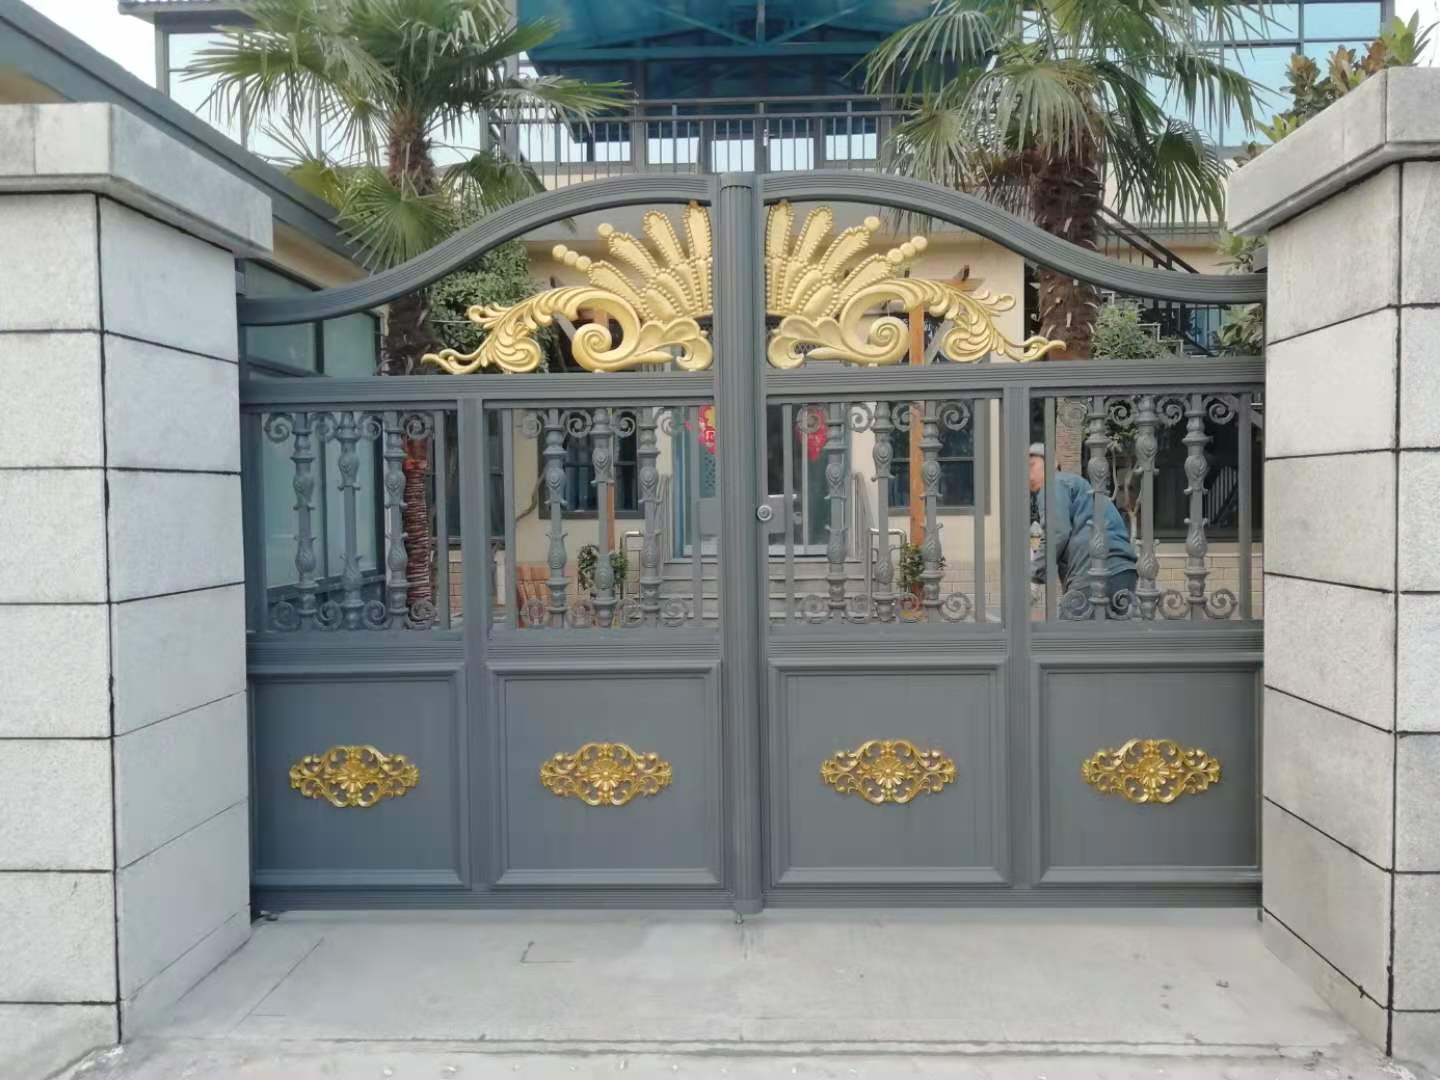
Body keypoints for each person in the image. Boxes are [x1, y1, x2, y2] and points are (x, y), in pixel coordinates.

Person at [1028, 443, 1137, 602]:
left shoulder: (1053, 483)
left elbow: (1056, 532)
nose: (1027, 473)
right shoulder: (1076, 485)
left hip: (1093, 571)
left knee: (1072, 617)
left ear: (1053, 463)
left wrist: (1033, 576)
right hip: (1122, 570)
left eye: (1031, 465)